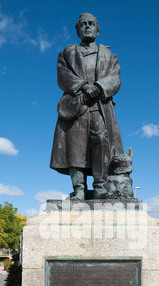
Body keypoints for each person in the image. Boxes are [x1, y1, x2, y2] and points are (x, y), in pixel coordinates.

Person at [50, 13, 124, 200]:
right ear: (78, 30)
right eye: (83, 24)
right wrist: (83, 86)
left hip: (99, 105)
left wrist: (98, 87)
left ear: (98, 30)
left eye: (91, 24)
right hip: (76, 105)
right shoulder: (67, 52)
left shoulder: (109, 55)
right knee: (75, 147)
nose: (87, 26)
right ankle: (79, 189)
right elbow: (62, 75)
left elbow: (115, 78)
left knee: (101, 139)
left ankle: (100, 185)